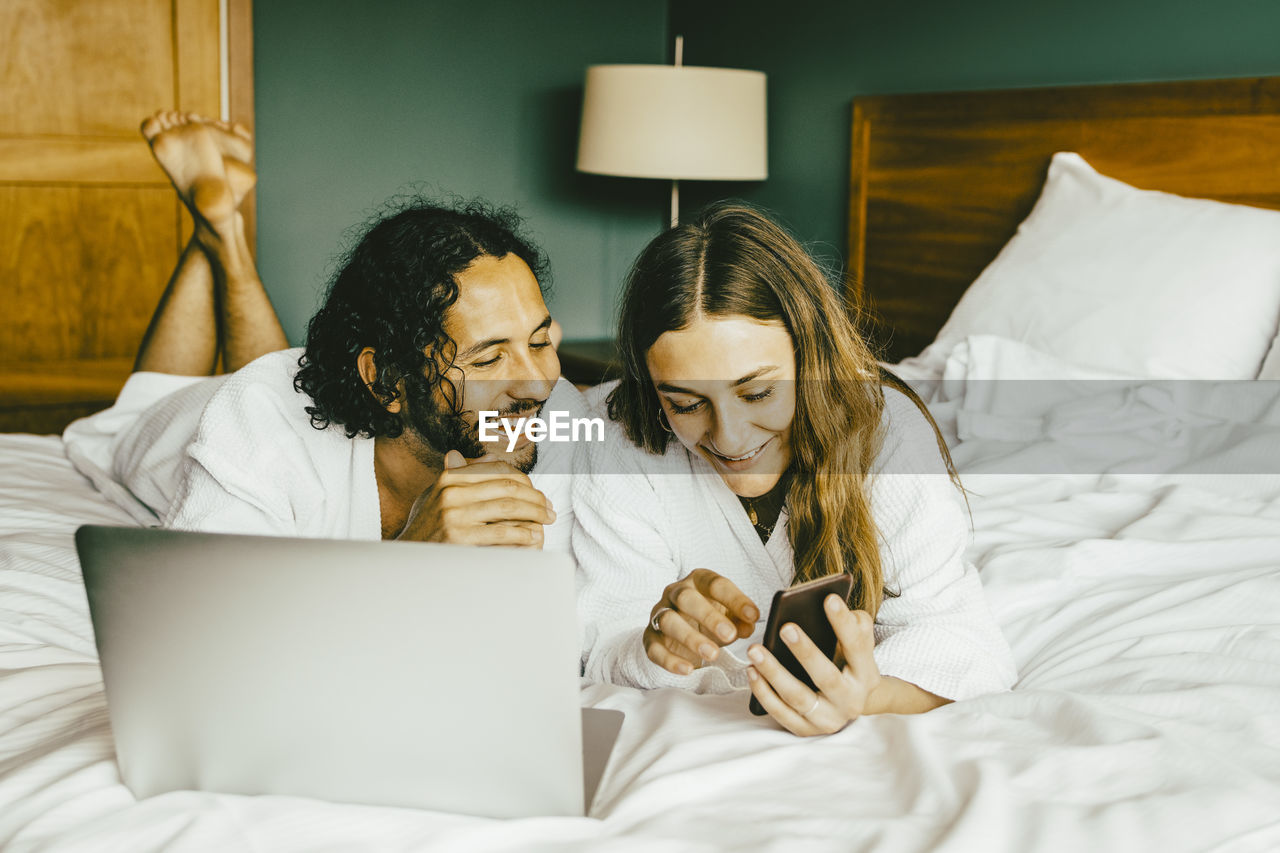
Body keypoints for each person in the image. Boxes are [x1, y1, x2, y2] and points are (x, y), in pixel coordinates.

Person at [573, 203, 1016, 735]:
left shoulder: (886, 435)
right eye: (686, 404)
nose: (730, 438)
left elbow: (961, 642)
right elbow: (606, 647)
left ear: (812, 357)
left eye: (759, 392)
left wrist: (870, 696)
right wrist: (655, 646)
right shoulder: (615, 434)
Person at [64, 111, 583, 549]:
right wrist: (414, 557)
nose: (539, 384)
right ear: (384, 379)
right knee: (153, 402)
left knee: (284, 377)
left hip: (308, 389)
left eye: (540, 341)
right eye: (489, 359)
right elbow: (210, 618)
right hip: (175, 422)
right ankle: (219, 231)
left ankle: (218, 227)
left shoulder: (555, 422)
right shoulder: (252, 428)